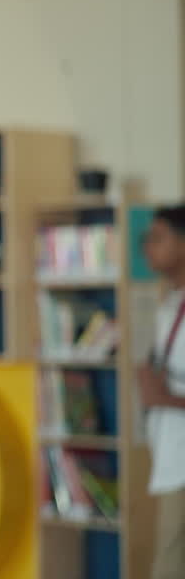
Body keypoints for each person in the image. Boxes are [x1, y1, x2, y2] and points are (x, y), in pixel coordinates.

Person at [140, 204, 185, 579]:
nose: (147, 248)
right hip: (170, 453)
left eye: (157, 238)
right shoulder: (170, 302)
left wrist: (164, 398)